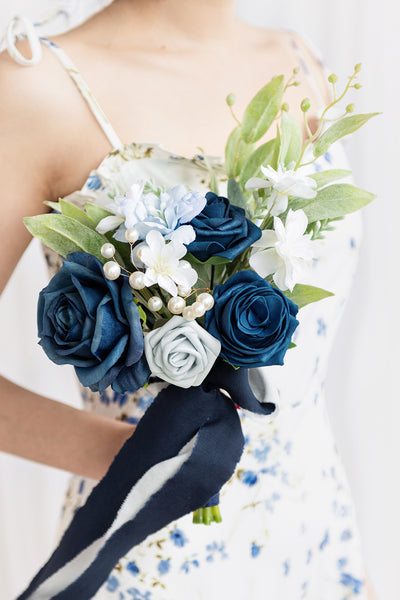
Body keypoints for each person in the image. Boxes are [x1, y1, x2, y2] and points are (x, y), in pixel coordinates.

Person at [0, 0, 377, 598]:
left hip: (314, 542)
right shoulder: (37, 88)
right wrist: (137, 459)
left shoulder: (300, 61)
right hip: (150, 556)